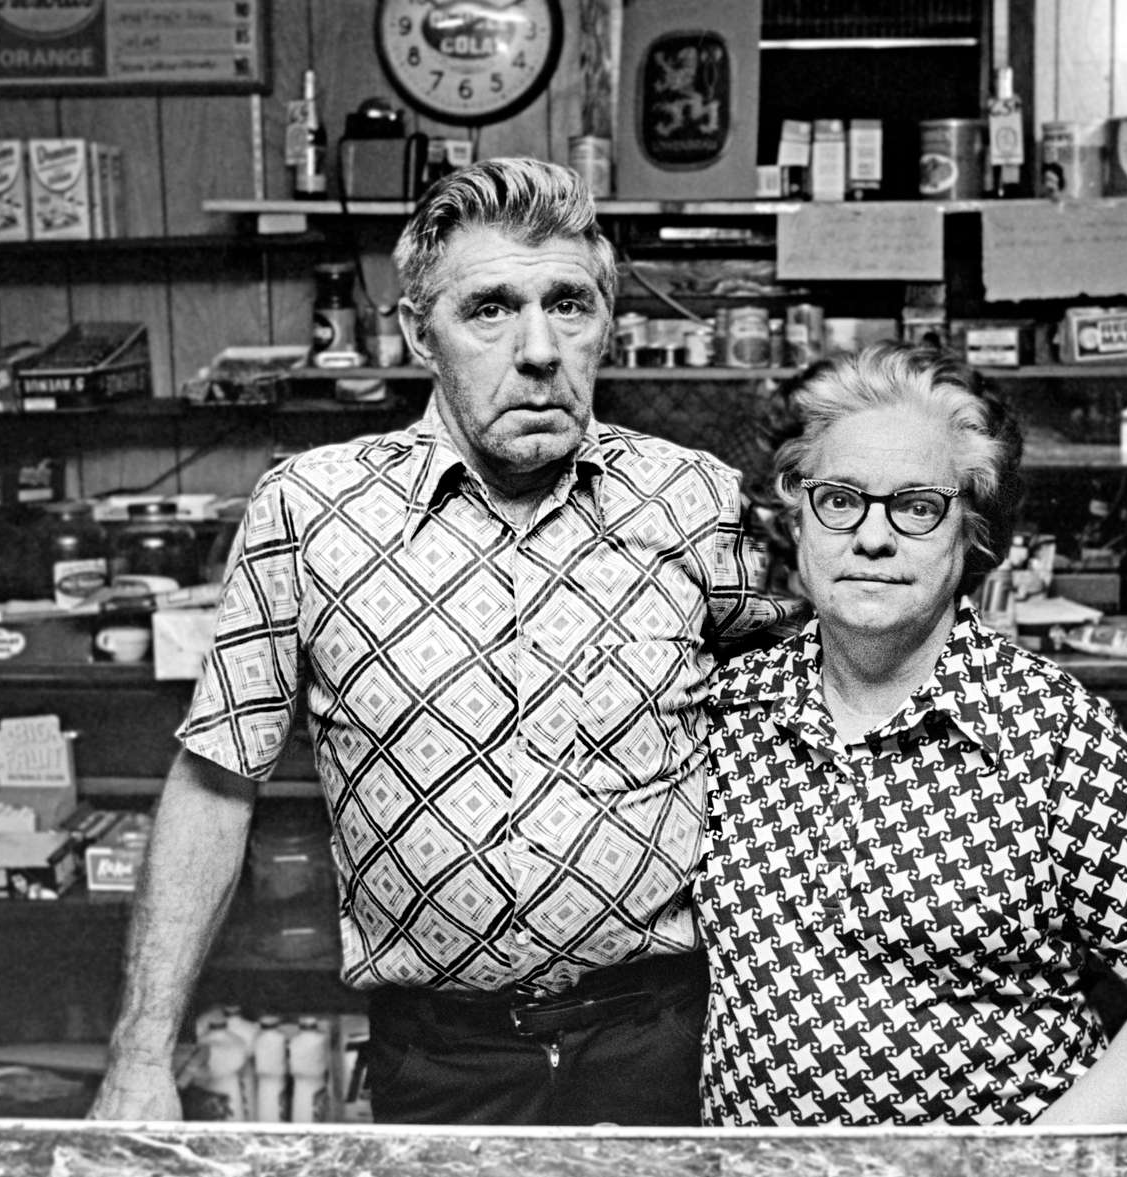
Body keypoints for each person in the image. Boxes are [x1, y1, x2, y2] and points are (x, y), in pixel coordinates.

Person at [89, 157, 799, 1126]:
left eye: (571, 305)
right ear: (421, 332)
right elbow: (217, 782)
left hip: (663, 1043)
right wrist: (140, 1056)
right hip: (440, 1061)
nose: (540, 348)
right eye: (492, 310)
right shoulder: (312, 511)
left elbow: (794, 745)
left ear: (608, 323)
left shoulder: (698, 502)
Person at [695, 342, 1127, 1126]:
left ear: (971, 532)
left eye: (917, 506)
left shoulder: (1052, 733)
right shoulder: (733, 712)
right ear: (799, 517)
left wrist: (1030, 1170)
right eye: (841, 499)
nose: (873, 538)